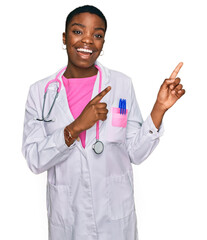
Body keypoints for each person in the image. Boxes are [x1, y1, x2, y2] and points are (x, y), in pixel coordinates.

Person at [22, 5, 185, 240]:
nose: (88, 40)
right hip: (69, 220)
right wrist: (77, 126)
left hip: (115, 220)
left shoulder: (120, 85)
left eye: (97, 35)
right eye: (78, 32)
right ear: (64, 37)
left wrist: (159, 108)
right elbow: (35, 160)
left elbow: (136, 154)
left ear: (103, 44)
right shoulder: (41, 92)